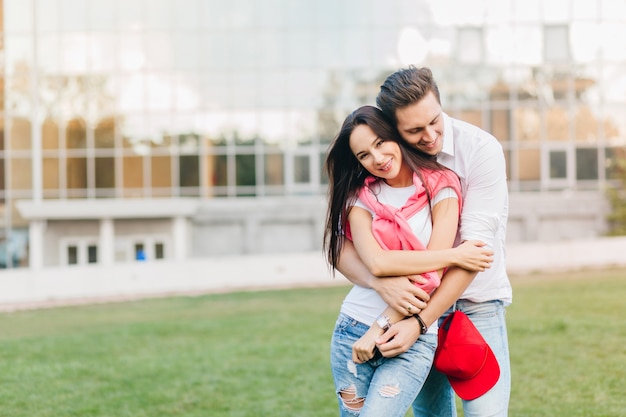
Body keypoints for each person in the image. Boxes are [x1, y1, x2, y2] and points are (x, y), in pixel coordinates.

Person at [337, 66, 512, 416]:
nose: (431, 136)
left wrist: (417, 322)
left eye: (435, 120)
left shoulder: (479, 150)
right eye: (415, 130)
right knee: (431, 414)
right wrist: (379, 283)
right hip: (409, 304)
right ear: (393, 129)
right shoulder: (382, 159)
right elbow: (341, 246)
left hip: (472, 303)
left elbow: (472, 254)